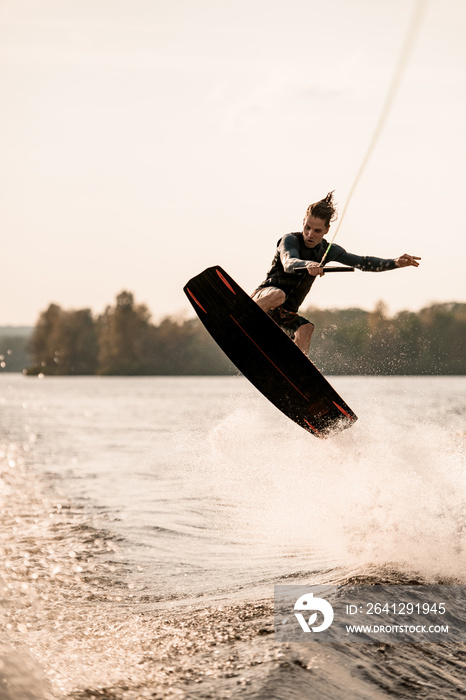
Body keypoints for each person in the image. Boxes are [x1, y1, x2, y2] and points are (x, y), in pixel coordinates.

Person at [251, 192, 421, 355]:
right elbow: (289, 262)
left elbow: (363, 262)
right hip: (264, 298)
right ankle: (244, 316)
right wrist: (308, 264)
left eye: (317, 231)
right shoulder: (289, 240)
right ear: (303, 222)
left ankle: (294, 370)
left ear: (327, 229)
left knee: (306, 329)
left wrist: (395, 263)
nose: (310, 234)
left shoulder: (328, 251)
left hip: (285, 315)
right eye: (307, 227)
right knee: (279, 295)